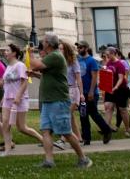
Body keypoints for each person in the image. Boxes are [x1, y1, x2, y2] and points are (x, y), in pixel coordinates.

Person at [30, 32, 91, 169]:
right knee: (46, 130)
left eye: (44, 42)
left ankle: (83, 158)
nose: (42, 44)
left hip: (58, 100)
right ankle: (49, 161)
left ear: (49, 44)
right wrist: (34, 74)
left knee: (66, 132)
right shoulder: (52, 57)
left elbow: (35, 64)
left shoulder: (55, 56)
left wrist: (29, 53)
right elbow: (43, 72)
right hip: (49, 100)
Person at [0, 43, 43, 155]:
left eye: (8, 51)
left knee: (21, 127)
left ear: (14, 53)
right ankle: (7, 148)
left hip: (20, 99)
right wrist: (3, 98)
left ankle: (43, 139)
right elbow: (6, 84)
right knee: (5, 124)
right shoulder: (8, 66)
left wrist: (18, 97)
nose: (5, 52)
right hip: (8, 99)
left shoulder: (20, 66)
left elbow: (24, 83)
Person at [76, 42, 113, 146]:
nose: (79, 49)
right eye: (78, 48)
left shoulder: (91, 61)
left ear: (86, 48)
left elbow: (94, 77)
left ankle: (106, 130)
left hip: (90, 92)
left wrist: (92, 91)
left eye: (81, 47)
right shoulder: (78, 60)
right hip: (81, 93)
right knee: (83, 115)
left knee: (93, 114)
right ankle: (86, 138)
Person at [103, 47, 130, 135]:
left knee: (122, 109)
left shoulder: (120, 64)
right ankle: (106, 129)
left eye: (108, 55)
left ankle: (127, 128)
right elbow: (107, 75)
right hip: (110, 88)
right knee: (108, 106)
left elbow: (121, 78)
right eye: (106, 55)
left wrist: (116, 87)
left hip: (121, 89)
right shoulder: (108, 63)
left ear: (113, 54)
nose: (107, 57)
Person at [62, 40, 84, 145]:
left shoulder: (73, 62)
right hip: (64, 91)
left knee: (66, 114)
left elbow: (79, 78)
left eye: (61, 48)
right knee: (70, 117)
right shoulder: (61, 62)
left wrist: (81, 93)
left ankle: (63, 138)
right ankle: (79, 138)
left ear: (65, 50)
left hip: (73, 90)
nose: (59, 50)